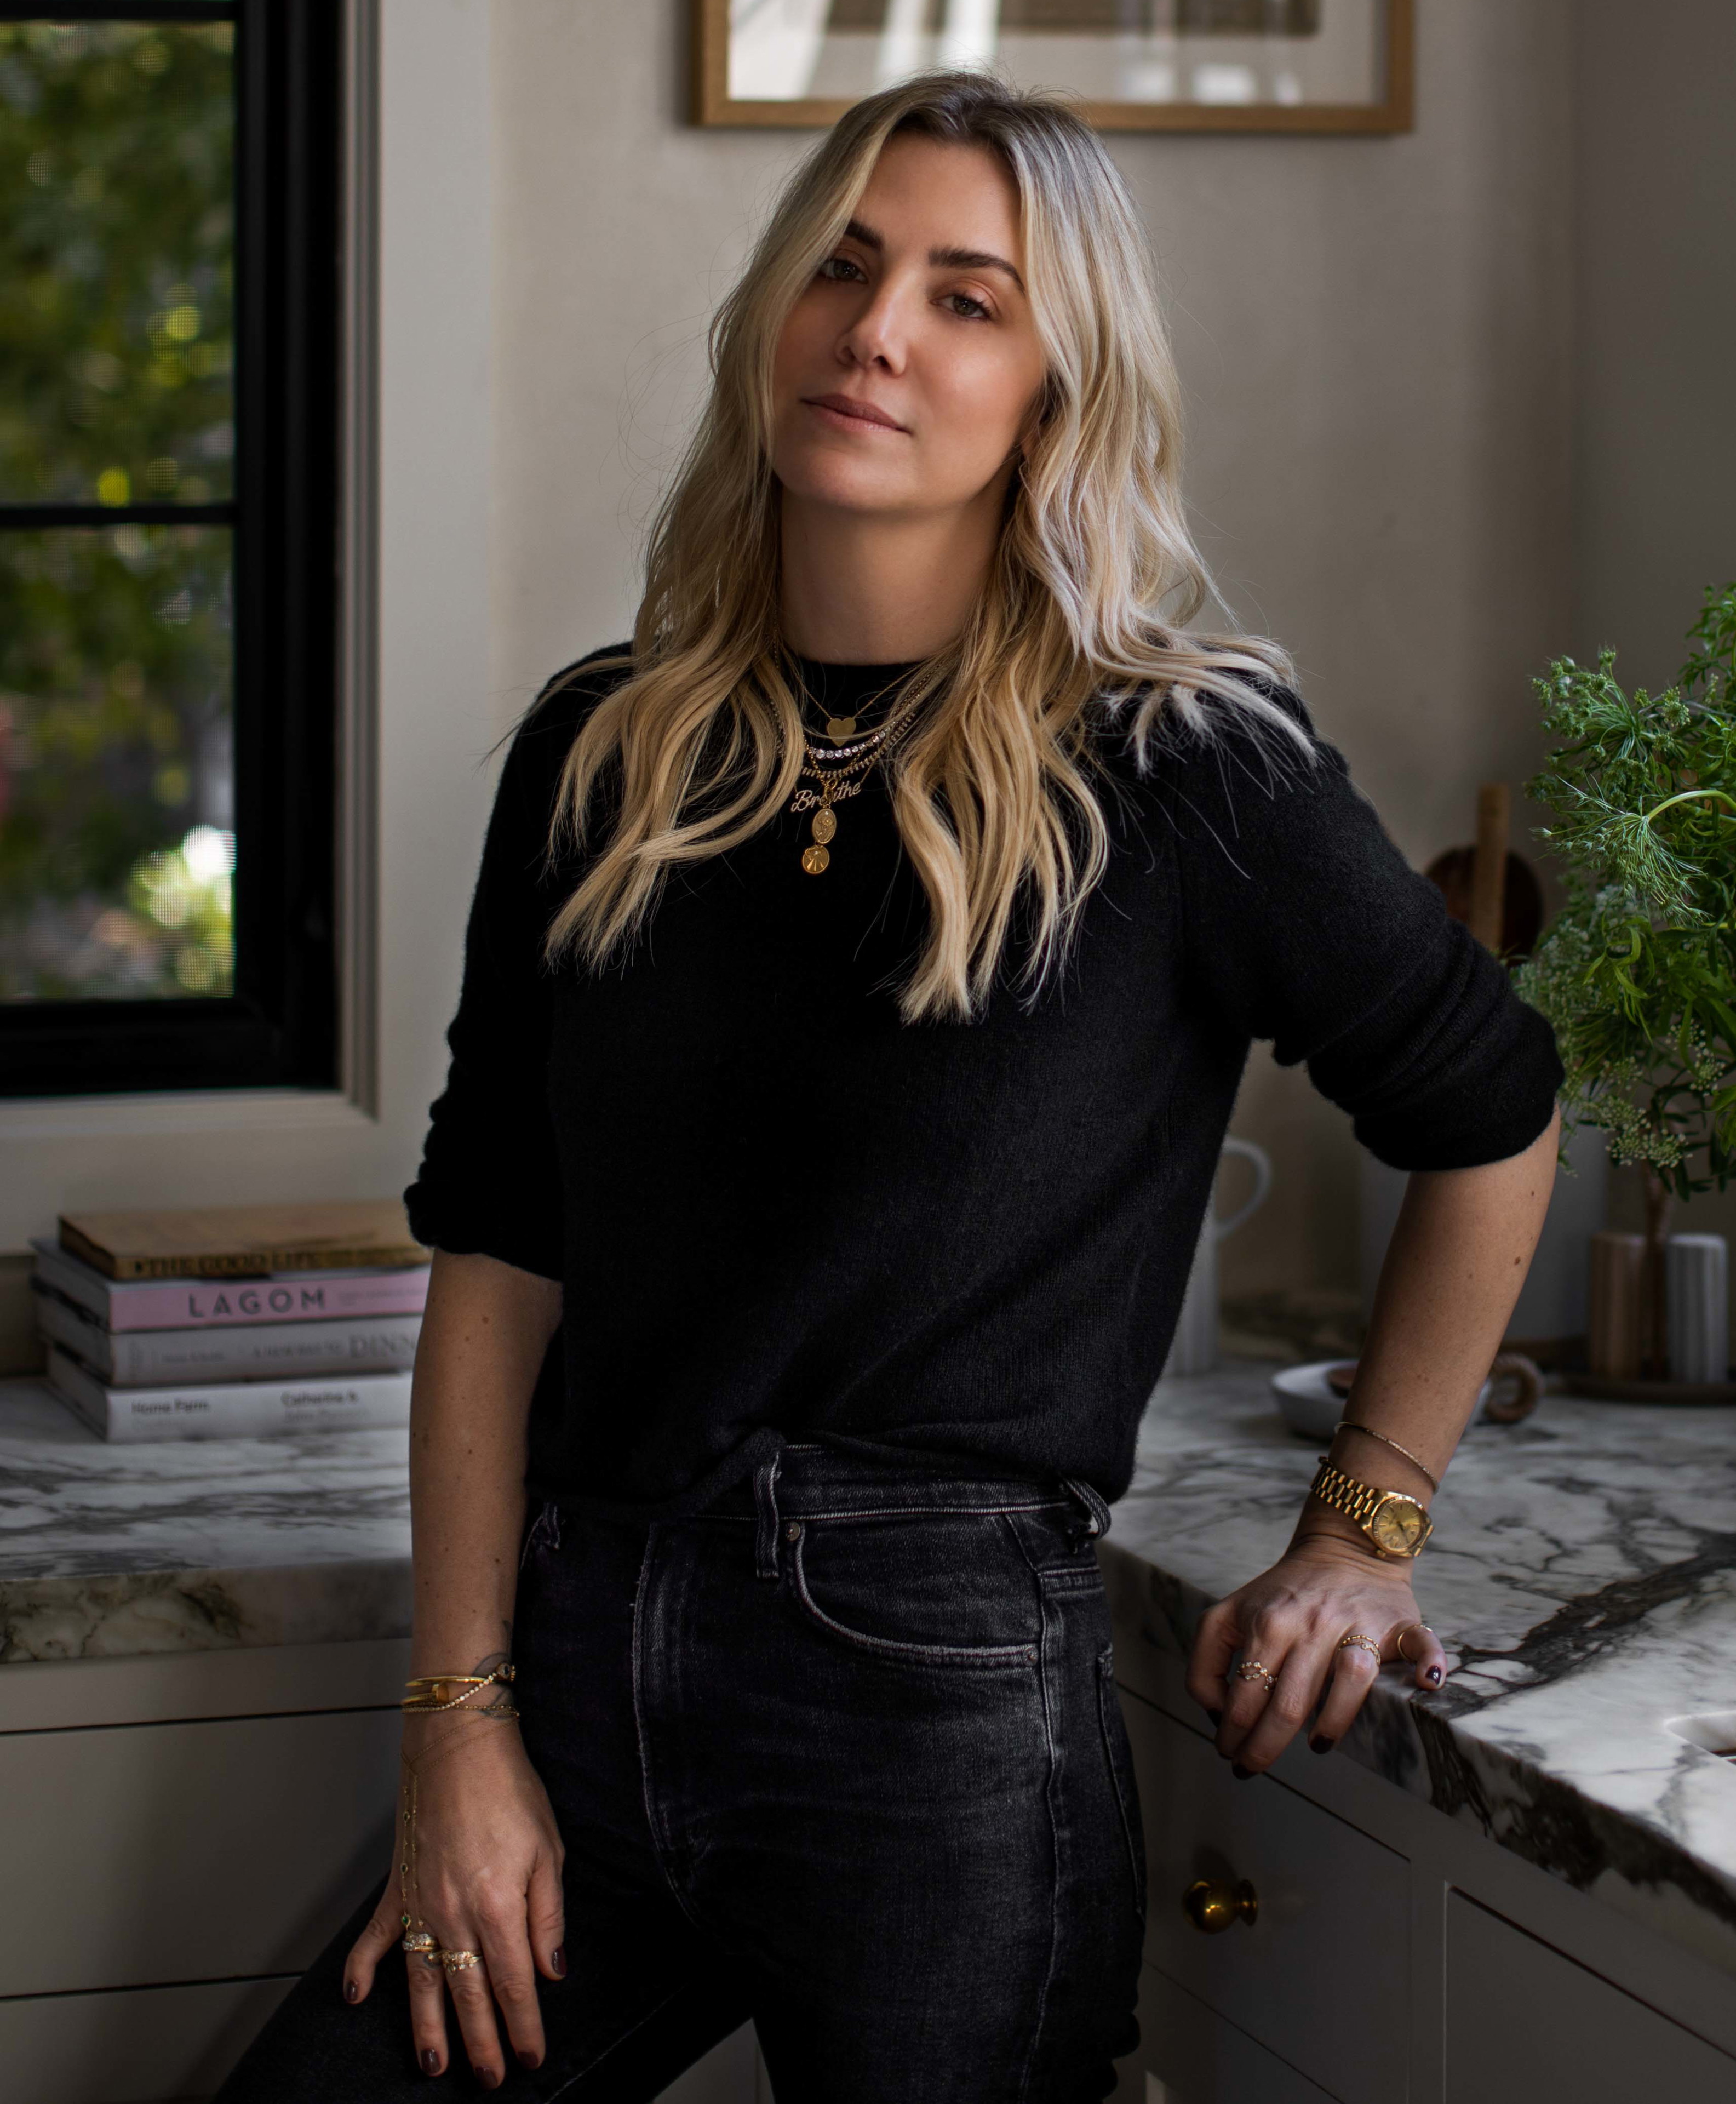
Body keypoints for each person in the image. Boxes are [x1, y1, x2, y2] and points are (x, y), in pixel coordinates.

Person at [219, 67, 1560, 2104]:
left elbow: (1493, 1108)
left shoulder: (1182, 761)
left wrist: (1365, 1529)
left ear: (1059, 388)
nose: (878, 329)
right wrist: (458, 1721)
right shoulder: (604, 758)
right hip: (576, 1674)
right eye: (845, 266)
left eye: (968, 296)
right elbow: (497, 1248)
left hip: (933, 1732)